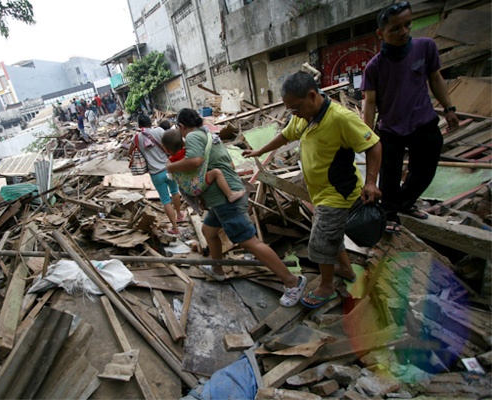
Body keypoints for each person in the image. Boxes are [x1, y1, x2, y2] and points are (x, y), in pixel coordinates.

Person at [243, 71, 382, 309]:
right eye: (290, 110)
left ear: (312, 95)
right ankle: (346, 269)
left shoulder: (341, 118)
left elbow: (374, 145)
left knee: (319, 242)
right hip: (320, 193)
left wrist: (370, 182)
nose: (293, 113)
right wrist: (260, 151)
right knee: (330, 235)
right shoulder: (303, 116)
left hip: (338, 192)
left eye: (296, 108)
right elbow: (285, 136)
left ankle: (326, 287)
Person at [167, 108, 307, 307]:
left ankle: (293, 282)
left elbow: (195, 161)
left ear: (181, 127)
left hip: (225, 200)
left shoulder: (191, 138)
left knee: (250, 242)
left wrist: (171, 167)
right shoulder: (210, 136)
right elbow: (231, 165)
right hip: (225, 195)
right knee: (208, 230)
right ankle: (218, 270)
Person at [361, 1, 459, 234]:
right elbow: (370, 102)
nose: (403, 32)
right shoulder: (375, 67)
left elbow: (435, 79)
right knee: (390, 176)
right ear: (380, 34)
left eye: (407, 25)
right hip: (391, 128)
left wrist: (449, 108)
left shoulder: (425, 47)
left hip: (422, 121)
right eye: (395, 28)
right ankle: (390, 212)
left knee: (425, 170)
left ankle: (404, 204)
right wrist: (366, 135)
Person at [129, 114, 185, 236]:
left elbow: (130, 151)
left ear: (139, 126)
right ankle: (179, 214)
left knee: (165, 200)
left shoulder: (137, 138)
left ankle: (175, 228)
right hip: (169, 167)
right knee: (175, 191)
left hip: (155, 174)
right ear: (150, 123)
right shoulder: (159, 131)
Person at [162, 128, 245, 203]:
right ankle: (230, 195)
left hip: (187, 188)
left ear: (166, 149)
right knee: (217, 172)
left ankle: (201, 202)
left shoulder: (171, 161)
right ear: (183, 143)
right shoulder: (189, 154)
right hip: (197, 184)